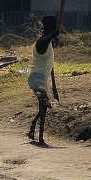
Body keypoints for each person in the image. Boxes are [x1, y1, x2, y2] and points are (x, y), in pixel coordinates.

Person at [27, 15, 60, 146]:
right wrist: (52, 34)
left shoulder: (48, 43)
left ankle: (32, 129)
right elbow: (44, 41)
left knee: (45, 107)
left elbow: (50, 67)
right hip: (36, 80)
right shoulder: (41, 42)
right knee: (44, 107)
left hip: (41, 81)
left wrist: (54, 88)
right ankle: (40, 138)